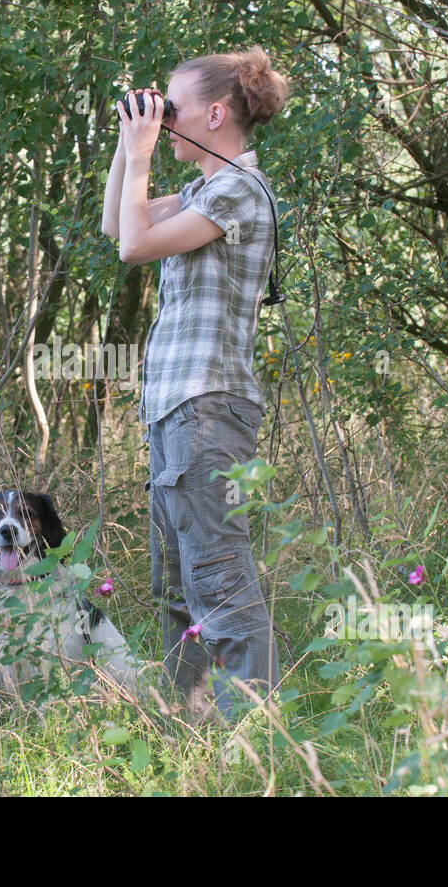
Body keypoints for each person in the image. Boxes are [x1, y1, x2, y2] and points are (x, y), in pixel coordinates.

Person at [101, 45, 290, 722]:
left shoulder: (240, 188)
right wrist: (131, 143)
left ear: (213, 114)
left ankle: (262, 747)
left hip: (207, 411)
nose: (163, 115)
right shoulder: (206, 190)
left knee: (219, 580)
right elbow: (116, 225)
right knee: (179, 592)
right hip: (177, 411)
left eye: (171, 107)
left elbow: (133, 247)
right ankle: (195, 734)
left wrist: (146, 149)